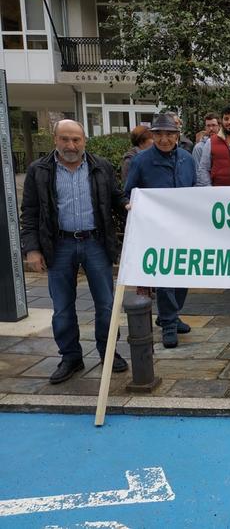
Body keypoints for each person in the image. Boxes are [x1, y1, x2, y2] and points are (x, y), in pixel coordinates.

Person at [21, 120, 130, 383]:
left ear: (84, 141)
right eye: (65, 139)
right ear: (55, 140)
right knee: (62, 307)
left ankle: (108, 352)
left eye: (76, 140)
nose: (71, 145)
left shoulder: (100, 166)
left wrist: (129, 205)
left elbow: (115, 197)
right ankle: (70, 357)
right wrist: (32, 249)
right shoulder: (39, 170)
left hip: (95, 244)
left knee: (106, 304)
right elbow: (30, 212)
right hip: (58, 246)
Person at [125, 113, 198, 348]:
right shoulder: (141, 161)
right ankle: (167, 323)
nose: (164, 139)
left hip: (184, 228)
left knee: (184, 274)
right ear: (152, 136)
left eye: (169, 134)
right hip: (156, 230)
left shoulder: (187, 159)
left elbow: (195, 189)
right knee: (165, 277)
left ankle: (173, 315)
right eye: (159, 134)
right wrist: (131, 205)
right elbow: (129, 192)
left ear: (177, 135)